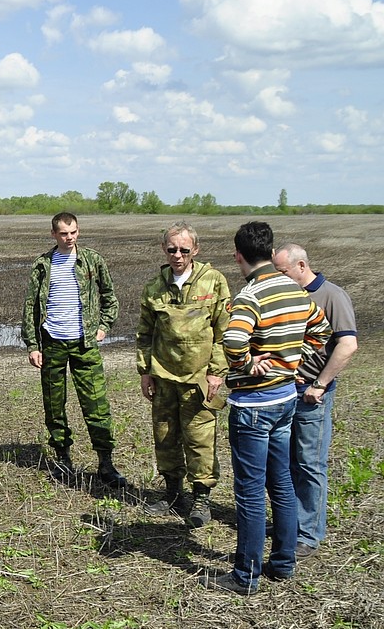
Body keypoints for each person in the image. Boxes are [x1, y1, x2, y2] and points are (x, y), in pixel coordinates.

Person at [204, 222, 330, 596]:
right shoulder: (295, 289)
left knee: (249, 491)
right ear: (271, 252)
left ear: (238, 255)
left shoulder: (249, 296)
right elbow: (322, 332)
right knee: (283, 483)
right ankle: (284, 562)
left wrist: (246, 365)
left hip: (253, 407)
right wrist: (293, 362)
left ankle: (245, 575)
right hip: (286, 401)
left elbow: (233, 340)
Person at [21, 212, 127, 487]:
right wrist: (33, 345)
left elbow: (110, 298)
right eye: (64, 234)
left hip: (85, 344)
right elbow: (31, 308)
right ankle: (63, 459)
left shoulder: (92, 260)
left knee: (96, 405)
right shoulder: (43, 265)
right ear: (54, 234)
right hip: (53, 343)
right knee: (54, 406)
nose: (69, 238)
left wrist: (103, 326)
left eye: (74, 232)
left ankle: (105, 463)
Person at [136, 222, 231, 526]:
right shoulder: (154, 286)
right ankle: (173, 494)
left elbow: (223, 332)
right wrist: (145, 372)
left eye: (184, 250)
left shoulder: (213, 282)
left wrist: (217, 372)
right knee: (165, 436)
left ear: (196, 250)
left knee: (199, 437)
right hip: (163, 378)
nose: (178, 255)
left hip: (199, 379)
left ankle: (201, 498)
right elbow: (145, 334)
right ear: (164, 249)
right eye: (172, 249)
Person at [272, 242, 358, 560]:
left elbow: (347, 345)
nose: (277, 278)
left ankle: (309, 533)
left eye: (282, 272)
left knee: (310, 464)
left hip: (311, 394)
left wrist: (320, 384)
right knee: (286, 461)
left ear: (302, 266)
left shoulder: (332, 296)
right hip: (284, 391)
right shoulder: (288, 296)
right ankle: (291, 523)